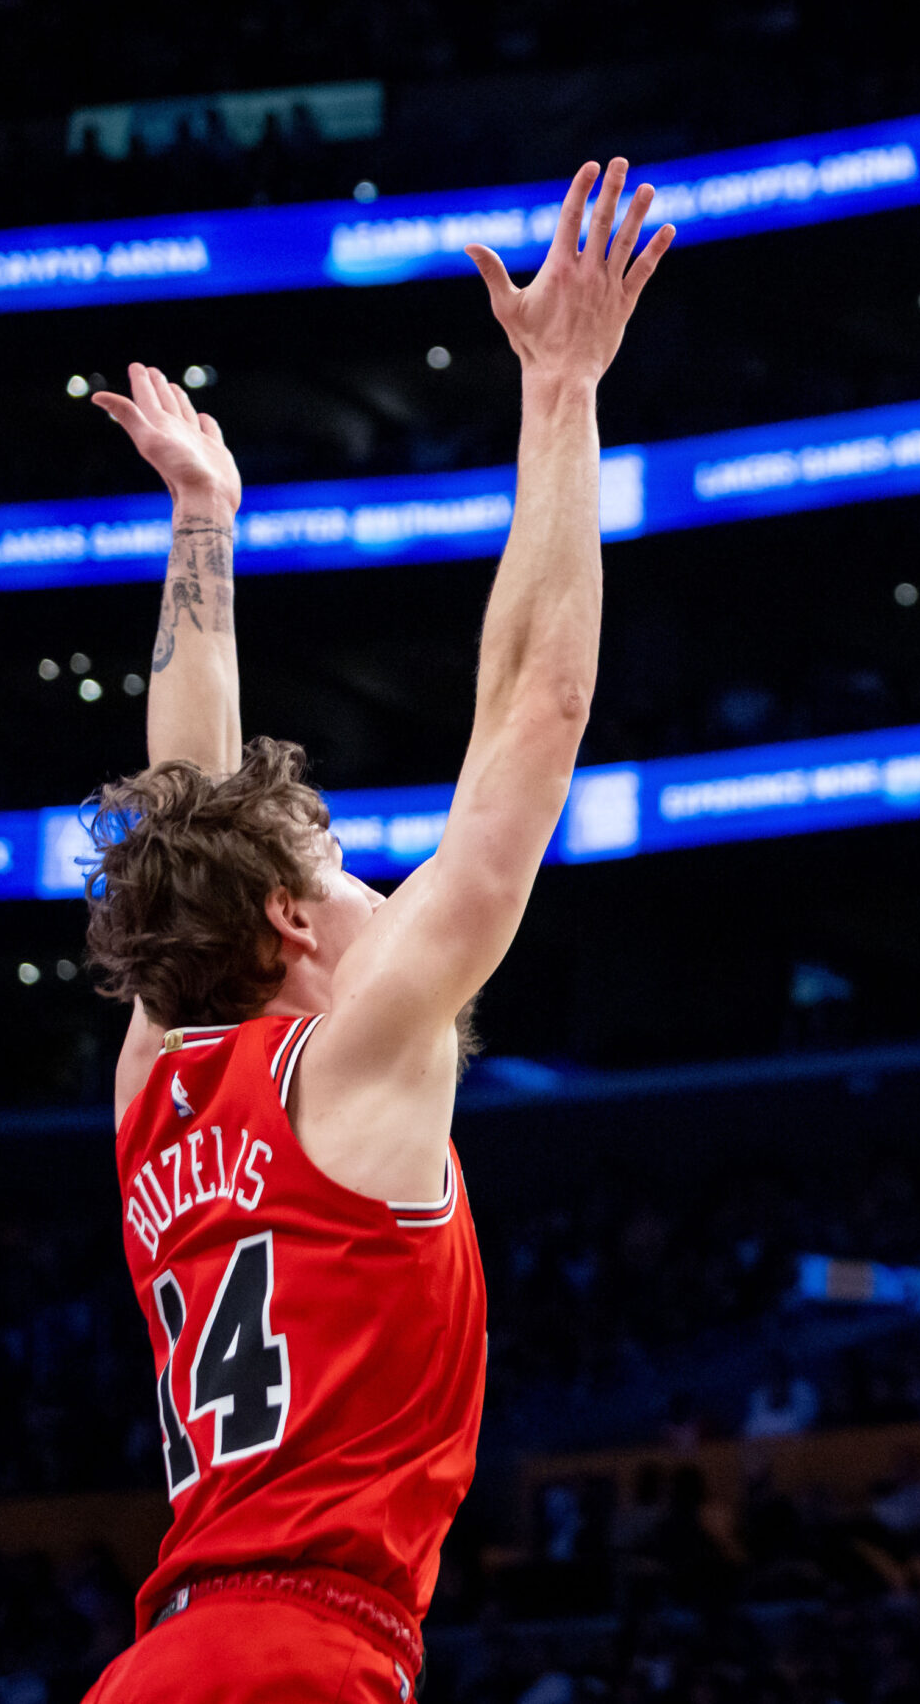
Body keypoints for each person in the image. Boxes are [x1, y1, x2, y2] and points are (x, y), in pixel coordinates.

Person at [77, 159, 673, 1702]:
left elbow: (184, 808)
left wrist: (203, 525)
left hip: (158, 1657)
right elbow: (540, 707)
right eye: (342, 865)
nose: (377, 888)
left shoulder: (158, 1092)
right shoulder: (353, 1059)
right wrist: (561, 390)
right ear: (289, 921)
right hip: (304, 1651)